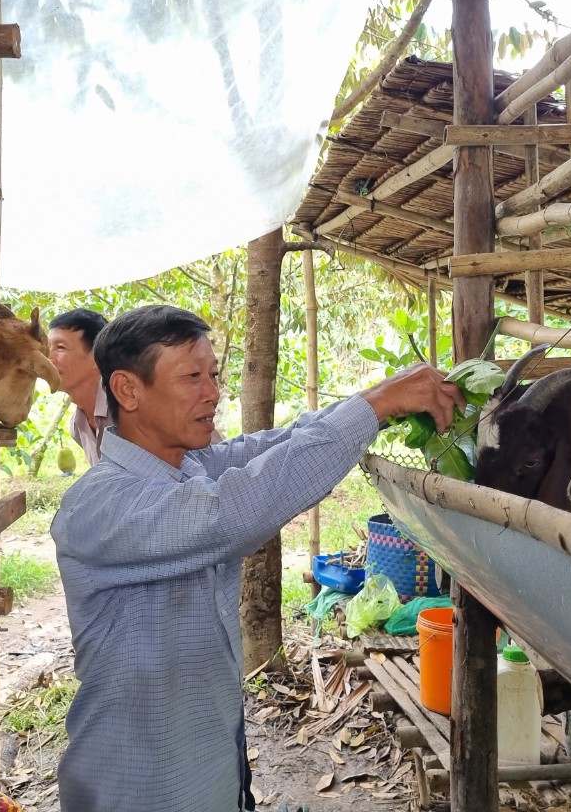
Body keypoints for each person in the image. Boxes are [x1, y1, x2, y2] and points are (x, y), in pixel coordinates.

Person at [50, 304, 464, 812]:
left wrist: (376, 402)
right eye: (192, 377)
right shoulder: (100, 505)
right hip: (138, 786)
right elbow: (236, 509)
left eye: (214, 375)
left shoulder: (187, 466)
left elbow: (275, 444)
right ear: (129, 390)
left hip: (209, 765)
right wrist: (376, 405)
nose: (213, 392)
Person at [48, 308, 110, 465]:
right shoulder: (77, 425)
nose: (48, 358)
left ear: (97, 357)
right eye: (47, 348)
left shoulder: (128, 413)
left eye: (60, 347)